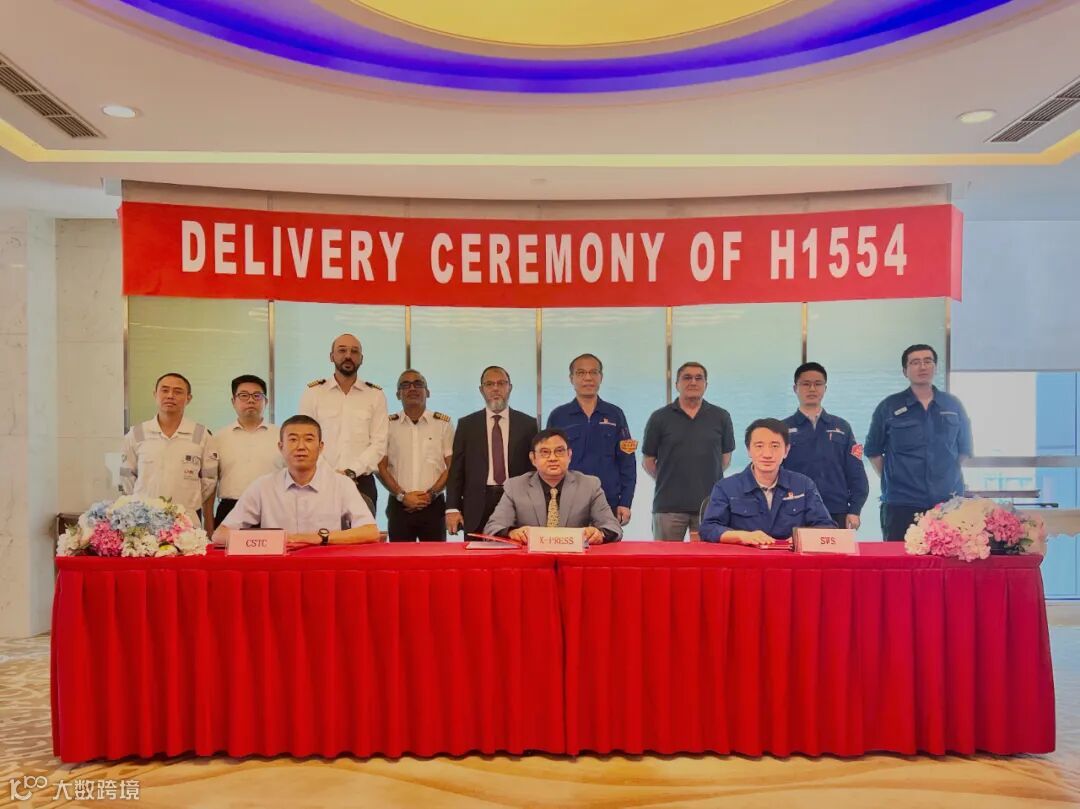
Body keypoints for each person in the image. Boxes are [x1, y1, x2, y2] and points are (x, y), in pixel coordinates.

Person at [213, 415, 379, 547]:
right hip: (278, 567)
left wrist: (319, 538)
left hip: (325, 566)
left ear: (321, 447)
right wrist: (271, 541)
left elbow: (370, 531)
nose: (301, 447)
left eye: (309, 439)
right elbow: (220, 535)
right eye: (293, 440)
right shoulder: (263, 487)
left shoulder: (341, 484)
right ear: (280, 447)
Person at [865, 344, 973, 541]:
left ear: (935, 367)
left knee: (947, 557)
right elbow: (873, 451)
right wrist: (895, 478)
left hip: (947, 502)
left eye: (927, 361)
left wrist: (944, 474)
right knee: (899, 559)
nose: (922, 367)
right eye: (915, 362)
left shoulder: (952, 404)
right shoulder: (889, 406)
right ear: (905, 371)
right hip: (901, 504)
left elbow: (964, 449)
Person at [700, 418, 835, 545]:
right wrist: (742, 536)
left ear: (786, 450)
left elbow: (826, 526)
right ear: (749, 450)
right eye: (759, 446)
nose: (767, 454)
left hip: (790, 558)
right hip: (746, 558)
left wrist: (802, 537)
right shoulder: (726, 487)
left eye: (775, 446)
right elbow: (708, 529)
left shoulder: (803, 485)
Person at [642, 361, 735, 541]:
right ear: (677, 384)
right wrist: (668, 478)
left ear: (706, 385)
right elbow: (648, 461)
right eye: (687, 378)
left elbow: (725, 459)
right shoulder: (659, 418)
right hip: (668, 506)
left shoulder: (721, 416)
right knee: (666, 557)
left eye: (699, 378)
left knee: (707, 558)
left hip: (710, 506)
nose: (693, 382)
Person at [299, 333, 388, 511]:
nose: (348, 355)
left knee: (362, 529)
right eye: (342, 350)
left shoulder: (375, 395)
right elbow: (305, 439)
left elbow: (379, 443)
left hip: (361, 481)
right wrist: (329, 473)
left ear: (361, 359)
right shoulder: (314, 393)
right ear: (331, 356)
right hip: (319, 479)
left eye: (354, 351)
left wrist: (350, 472)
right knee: (319, 528)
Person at [485, 428, 622, 544]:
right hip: (531, 561)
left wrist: (599, 534)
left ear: (569, 455)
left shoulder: (589, 485)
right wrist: (511, 533)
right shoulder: (515, 486)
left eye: (559, 451)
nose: (552, 458)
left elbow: (614, 528)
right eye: (545, 452)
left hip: (574, 560)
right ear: (533, 458)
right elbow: (492, 529)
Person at [445, 366, 538, 537]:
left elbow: (534, 469)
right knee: (475, 552)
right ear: (481, 390)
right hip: (476, 504)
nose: (495, 388)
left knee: (515, 550)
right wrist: (452, 508)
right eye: (489, 384)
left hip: (516, 501)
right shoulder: (467, 425)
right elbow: (456, 470)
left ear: (510, 387)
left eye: (501, 383)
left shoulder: (528, 424)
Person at [119, 372, 218, 531]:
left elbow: (209, 480)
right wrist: (140, 502)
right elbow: (126, 478)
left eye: (178, 392)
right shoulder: (137, 433)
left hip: (186, 521)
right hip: (144, 521)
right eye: (164, 390)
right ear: (155, 394)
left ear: (189, 398)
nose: (170, 396)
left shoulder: (201, 434)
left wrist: (191, 501)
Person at [546, 353, 636, 526]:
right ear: (571, 378)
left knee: (606, 543)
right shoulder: (559, 416)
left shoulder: (615, 414)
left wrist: (625, 502)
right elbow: (547, 462)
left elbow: (627, 461)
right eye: (581, 373)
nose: (588, 378)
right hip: (567, 500)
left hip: (607, 501)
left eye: (593, 372)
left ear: (601, 377)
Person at [782, 362, 869, 530]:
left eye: (818, 384)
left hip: (836, 510)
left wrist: (855, 509)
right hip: (793, 510)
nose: (812, 389)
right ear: (795, 388)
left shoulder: (842, 427)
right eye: (806, 384)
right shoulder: (783, 428)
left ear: (825, 388)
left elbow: (856, 471)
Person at [377, 369, 454, 542]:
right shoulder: (386, 425)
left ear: (428, 392)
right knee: (400, 558)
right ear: (398, 394)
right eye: (405, 385)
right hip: (399, 505)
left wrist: (431, 495)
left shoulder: (443, 424)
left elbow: (452, 465)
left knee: (435, 558)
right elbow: (380, 466)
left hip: (434, 505)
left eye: (418, 384)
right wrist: (402, 496)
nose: (412, 388)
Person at [213, 374, 283, 525]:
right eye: (244, 395)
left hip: (272, 509)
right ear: (233, 401)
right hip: (230, 508)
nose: (251, 400)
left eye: (257, 395)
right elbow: (210, 482)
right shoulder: (218, 438)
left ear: (266, 401)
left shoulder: (281, 435)